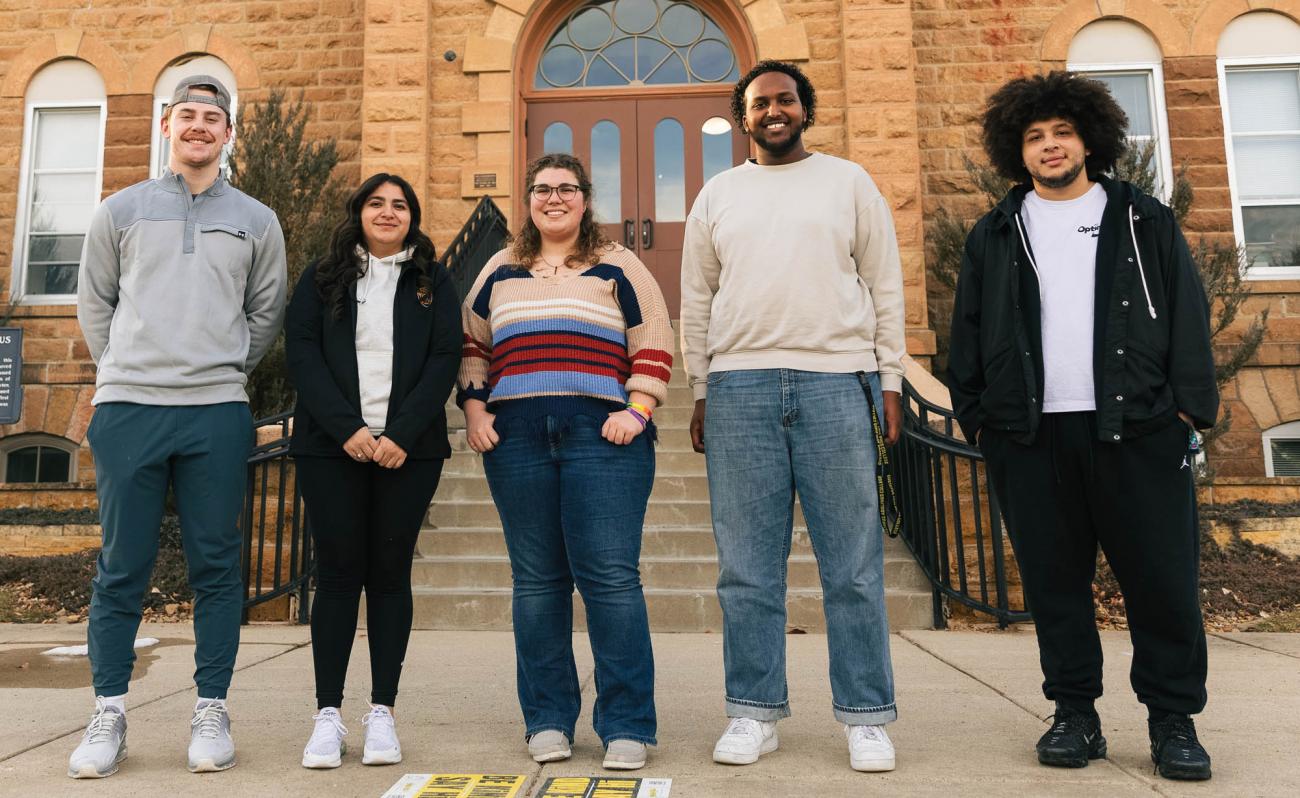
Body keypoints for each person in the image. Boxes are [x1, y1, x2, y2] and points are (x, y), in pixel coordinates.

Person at [948, 71, 1219, 781]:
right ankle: (1075, 714)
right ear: (1018, 149)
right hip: (1030, 437)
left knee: (1161, 582)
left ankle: (1173, 722)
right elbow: (966, 335)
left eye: (1061, 132)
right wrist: (979, 419)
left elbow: (1188, 319)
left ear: (1089, 139)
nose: (1049, 146)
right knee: (1054, 584)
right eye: (1034, 137)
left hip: (1138, 432)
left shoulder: (1143, 219)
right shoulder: (996, 232)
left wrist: (1187, 413)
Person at [680, 60, 906, 773]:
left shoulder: (849, 182)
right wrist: (700, 387)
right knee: (746, 570)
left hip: (838, 384)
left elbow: (885, 283)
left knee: (854, 567)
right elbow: (696, 299)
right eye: (759, 104)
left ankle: (865, 715)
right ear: (743, 119)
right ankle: (753, 711)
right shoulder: (718, 195)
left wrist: (891, 381)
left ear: (804, 109)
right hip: (740, 388)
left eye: (785, 100)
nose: (773, 111)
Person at [72, 75, 287, 777]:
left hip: (216, 414)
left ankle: (211, 709)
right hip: (130, 409)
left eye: (212, 118)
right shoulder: (121, 211)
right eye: (187, 115)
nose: (199, 126)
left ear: (228, 134)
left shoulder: (257, 220)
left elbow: (264, 316)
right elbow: (95, 305)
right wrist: (127, 372)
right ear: (167, 125)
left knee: (217, 568)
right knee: (121, 569)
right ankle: (107, 713)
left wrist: (217, 371)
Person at [458, 152, 673, 771]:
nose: (554, 198)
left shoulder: (618, 264)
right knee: (537, 583)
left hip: (601, 436)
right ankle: (547, 720)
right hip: (517, 437)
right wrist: (476, 413)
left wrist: (636, 410)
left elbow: (652, 338)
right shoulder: (499, 269)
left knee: (610, 580)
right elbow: (474, 345)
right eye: (543, 189)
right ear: (528, 200)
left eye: (567, 189)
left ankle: (627, 725)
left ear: (585, 198)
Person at [284, 173, 461, 769]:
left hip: (408, 452)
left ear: (413, 216)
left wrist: (400, 434)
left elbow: (444, 359)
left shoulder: (432, 281)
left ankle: (382, 712)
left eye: (400, 205)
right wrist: (350, 430)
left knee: (389, 574)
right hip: (331, 447)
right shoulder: (321, 277)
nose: (388, 213)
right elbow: (302, 355)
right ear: (358, 212)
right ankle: (327, 717)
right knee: (336, 575)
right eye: (377, 203)